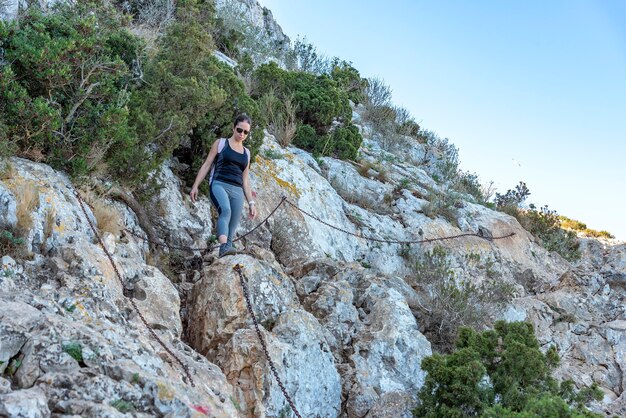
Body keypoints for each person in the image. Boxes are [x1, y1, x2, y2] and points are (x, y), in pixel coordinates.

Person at [190, 114, 257, 257]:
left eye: (246, 132)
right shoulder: (220, 143)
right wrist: (195, 185)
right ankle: (223, 246)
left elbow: (245, 179)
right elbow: (207, 164)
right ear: (233, 128)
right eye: (239, 130)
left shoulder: (247, 153)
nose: (242, 134)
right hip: (219, 184)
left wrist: (251, 202)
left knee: (233, 223)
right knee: (225, 211)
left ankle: (226, 251)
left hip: (237, 190)